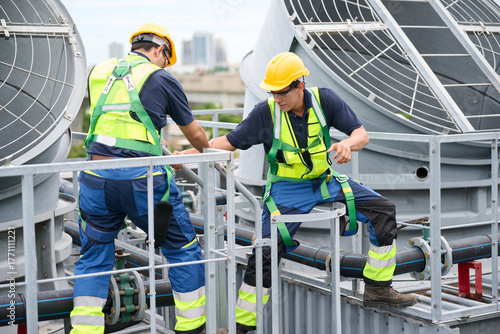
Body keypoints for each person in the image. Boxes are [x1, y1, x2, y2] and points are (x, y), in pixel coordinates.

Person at [183, 52, 417, 333]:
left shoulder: (325, 100)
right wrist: (187, 153)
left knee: (383, 210)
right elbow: (229, 142)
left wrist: (348, 144)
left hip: (325, 182)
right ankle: (241, 326)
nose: (277, 98)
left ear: (300, 86)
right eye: (273, 92)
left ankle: (378, 288)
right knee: (265, 252)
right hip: (286, 191)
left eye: (282, 92)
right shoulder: (265, 112)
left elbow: (361, 134)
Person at [70, 22, 212, 334]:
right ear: (160, 51)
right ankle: (192, 326)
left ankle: (84, 330)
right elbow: (196, 133)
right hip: (141, 180)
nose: (164, 64)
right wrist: (211, 156)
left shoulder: (99, 71)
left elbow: (119, 123)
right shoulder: (160, 76)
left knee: (93, 255)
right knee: (181, 247)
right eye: (166, 58)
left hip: (95, 176)